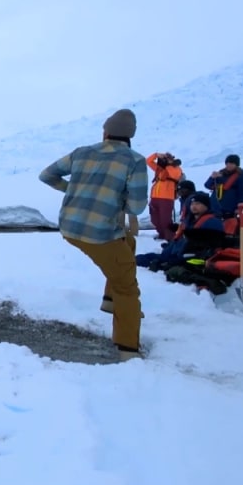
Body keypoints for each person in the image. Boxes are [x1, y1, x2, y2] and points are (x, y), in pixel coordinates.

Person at [39, 108, 148, 361]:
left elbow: (46, 175)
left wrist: (74, 191)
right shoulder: (134, 161)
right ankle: (128, 349)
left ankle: (110, 301)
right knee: (128, 289)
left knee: (127, 241)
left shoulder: (82, 152)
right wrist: (115, 201)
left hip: (69, 226)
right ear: (130, 136)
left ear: (105, 132)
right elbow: (137, 207)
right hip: (99, 234)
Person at [145, 151, 184, 240]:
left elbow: (174, 174)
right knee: (154, 219)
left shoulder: (176, 168)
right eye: (165, 158)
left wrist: (170, 163)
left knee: (165, 220)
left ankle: (170, 237)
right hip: (155, 197)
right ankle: (162, 234)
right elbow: (148, 161)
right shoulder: (160, 169)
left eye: (168, 158)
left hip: (167, 197)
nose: (165, 160)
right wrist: (156, 155)